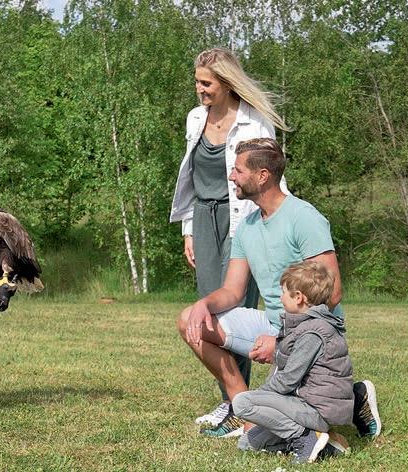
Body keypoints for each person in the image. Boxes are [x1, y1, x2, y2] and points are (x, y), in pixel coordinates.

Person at [177, 138, 381, 439]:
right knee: (189, 320)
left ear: (262, 176)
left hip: (315, 332)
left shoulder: (304, 218)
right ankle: (241, 409)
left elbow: (333, 292)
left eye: (238, 170)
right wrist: (203, 305)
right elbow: (233, 291)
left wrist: (284, 343)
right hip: (273, 323)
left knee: (292, 421)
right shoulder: (246, 226)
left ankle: (355, 397)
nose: (231, 176)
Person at [169, 47, 288, 428]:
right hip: (204, 220)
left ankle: (241, 405)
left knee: (234, 311)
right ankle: (234, 400)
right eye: (197, 82)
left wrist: (275, 228)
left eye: (206, 83)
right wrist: (189, 230)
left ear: (227, 83)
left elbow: (274, 178)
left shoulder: (255, 121)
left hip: (245, 220)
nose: (199, 89)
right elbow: (192, 178)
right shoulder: (195, 118)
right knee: (207, 313)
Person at [232, 261, 353, 464]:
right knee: (248, 443)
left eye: (284, 293)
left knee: (242, 403)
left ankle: (304, 436)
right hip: (303, 406)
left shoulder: (313, 333)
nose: (280, 298)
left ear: (298, 297)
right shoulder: (303, 327)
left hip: (315, 410)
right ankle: (325, 445)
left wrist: (259, 396)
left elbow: (288, 379)